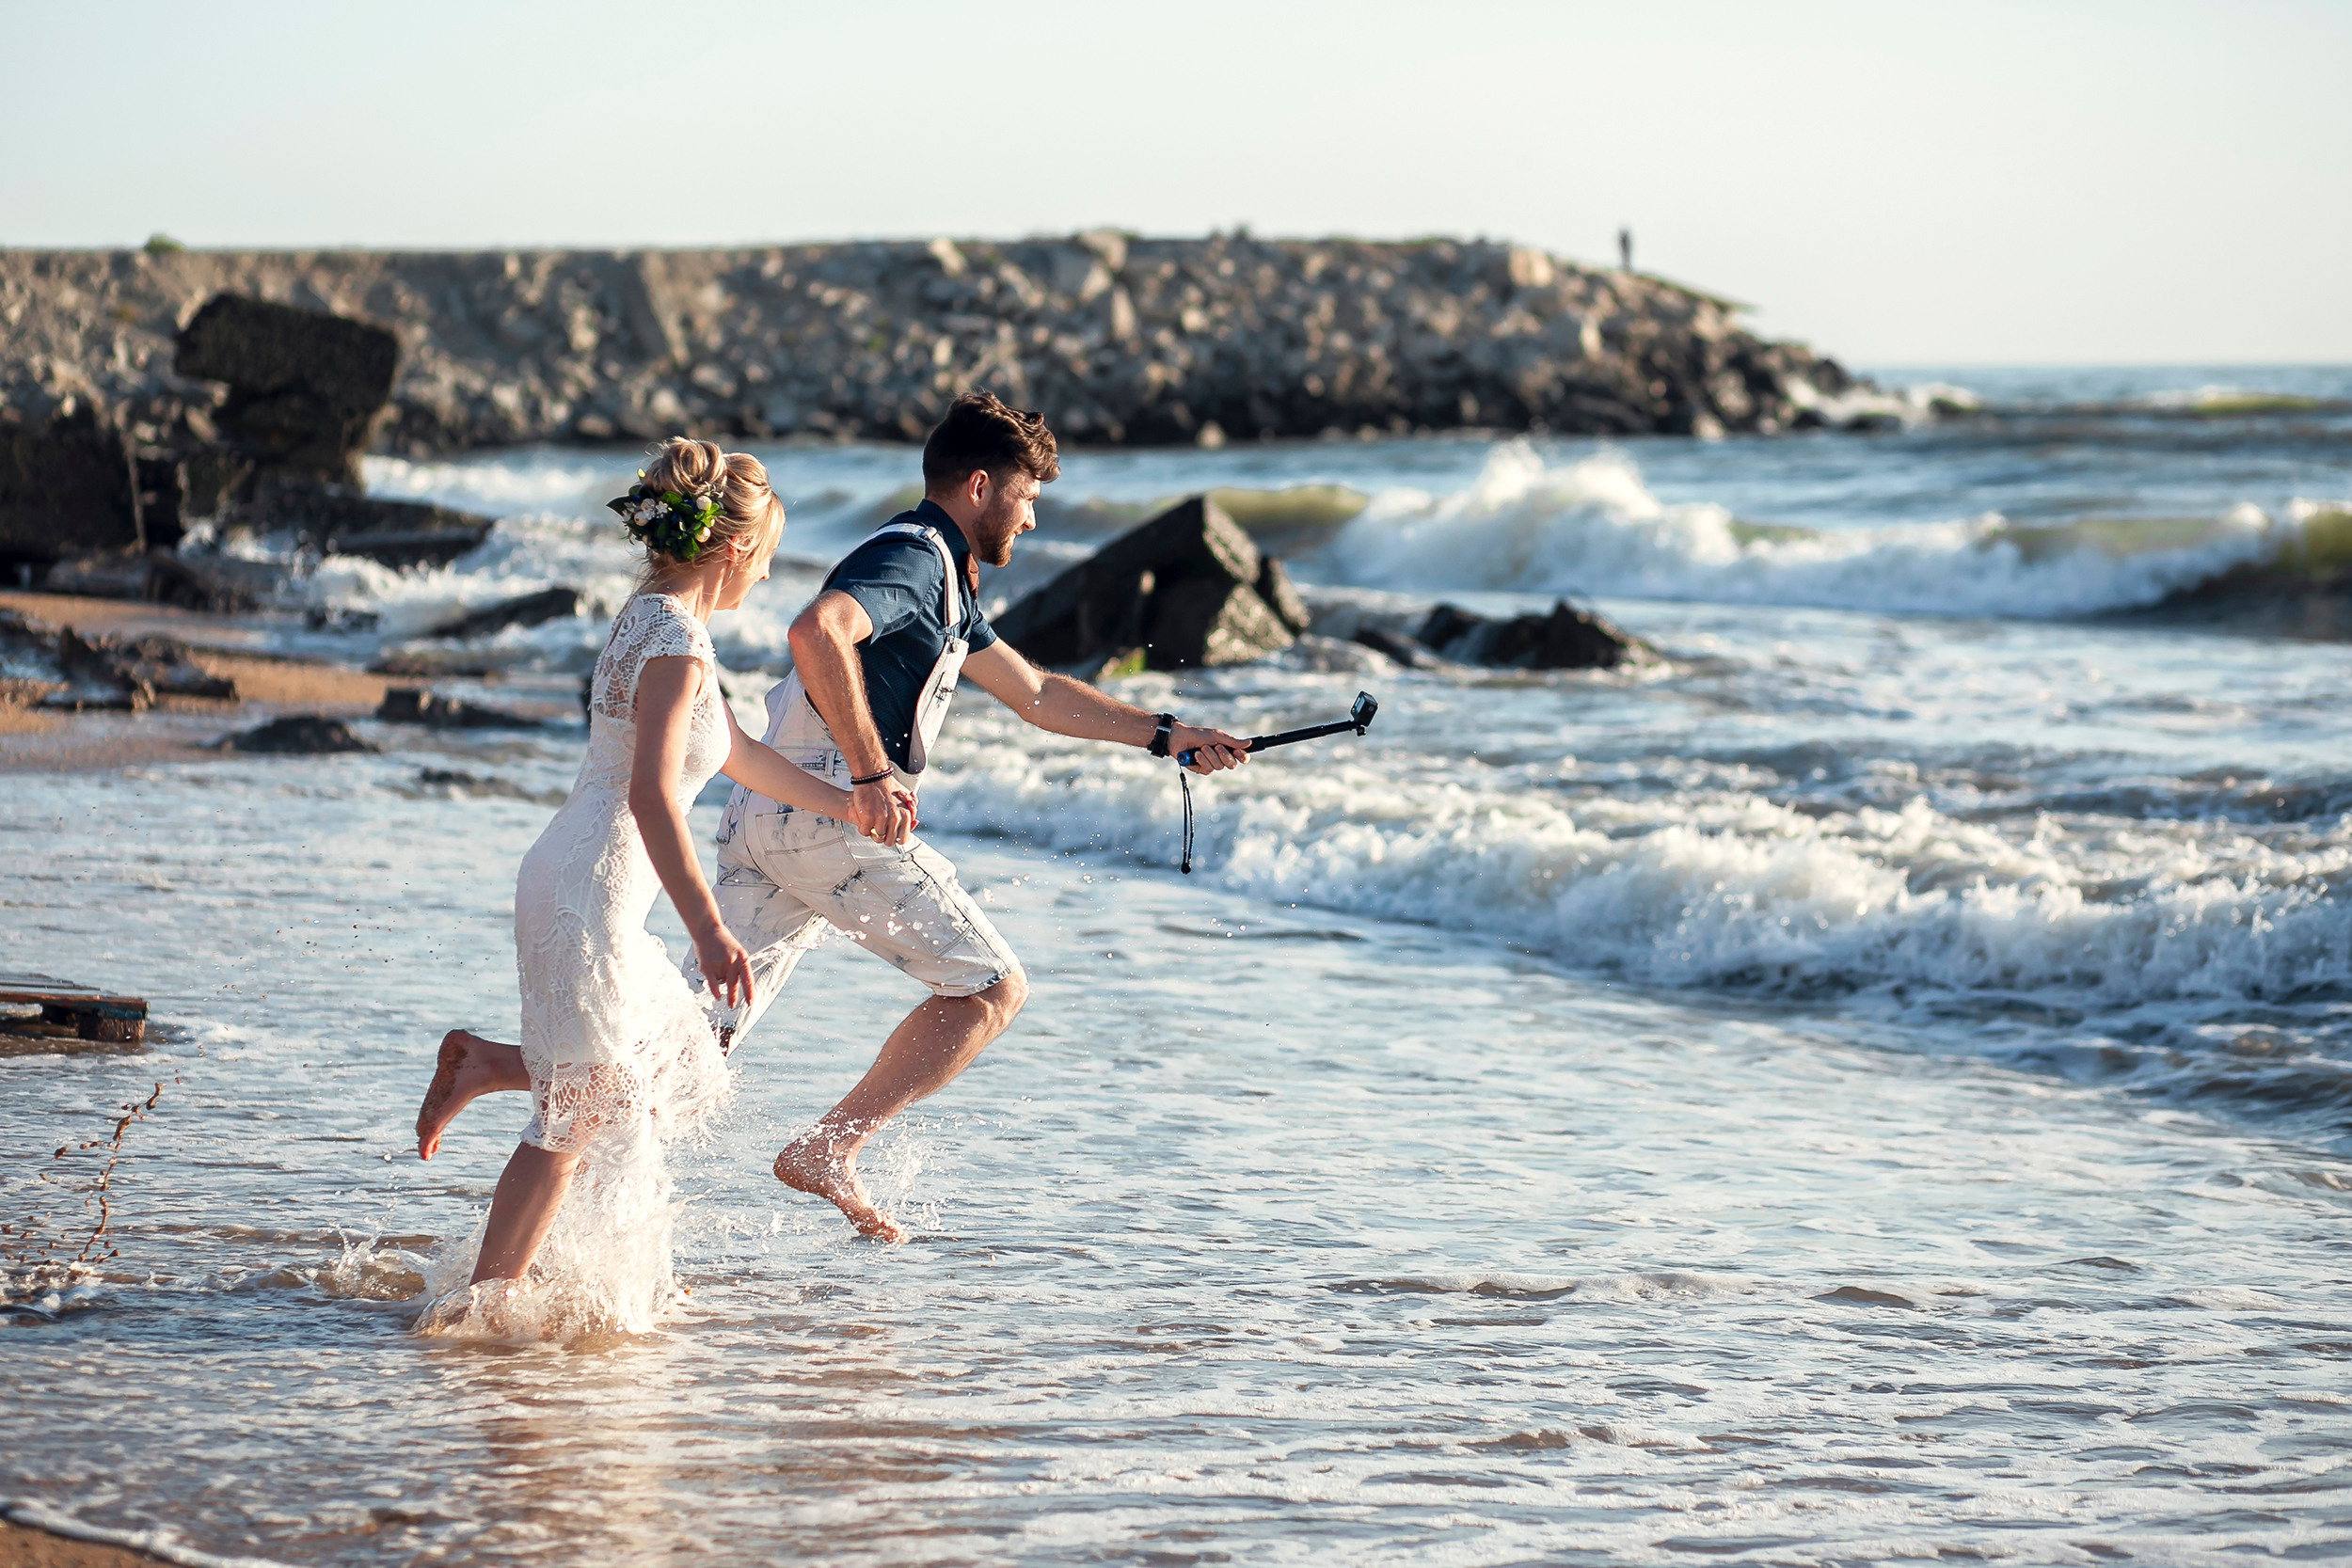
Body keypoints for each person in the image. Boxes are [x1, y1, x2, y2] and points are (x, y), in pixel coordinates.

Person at [707, 390, 1252, 1243]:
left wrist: (1166, 734)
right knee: (992, 988)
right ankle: (829, 1146)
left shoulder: (944, 580)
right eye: (1027, 495)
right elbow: (816, 631)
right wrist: (871, 772)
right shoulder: (915, 558)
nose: (1032, 518)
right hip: (830, 813)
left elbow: (1034, 694)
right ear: (978, 486)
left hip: (768, 811)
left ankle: (500, 1070)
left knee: (694, 1048)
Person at [412, 437, 857, 1315]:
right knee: (579, 1120)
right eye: (765, 561)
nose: (765, 580)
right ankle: (491, 1305)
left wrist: (851, 806)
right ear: (733, 550)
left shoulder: (653, 619)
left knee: (665, 1075)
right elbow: (655, 797)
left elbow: (736, 755)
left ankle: (490, 1069)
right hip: (590, 893)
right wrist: (708, 927)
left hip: (576, 877)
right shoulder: (678, 645)